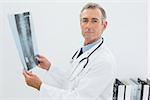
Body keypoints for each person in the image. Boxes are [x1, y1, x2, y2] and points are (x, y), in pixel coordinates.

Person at [23, 2, 116, 100]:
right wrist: (49, 67)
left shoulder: (104, 61)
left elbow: (79, 98)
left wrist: (40, 86)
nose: (89, 26)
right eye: (85, 20)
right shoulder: (84, 51)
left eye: (94, 21)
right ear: (80, 24)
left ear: (104, 25)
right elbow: (70, 83)